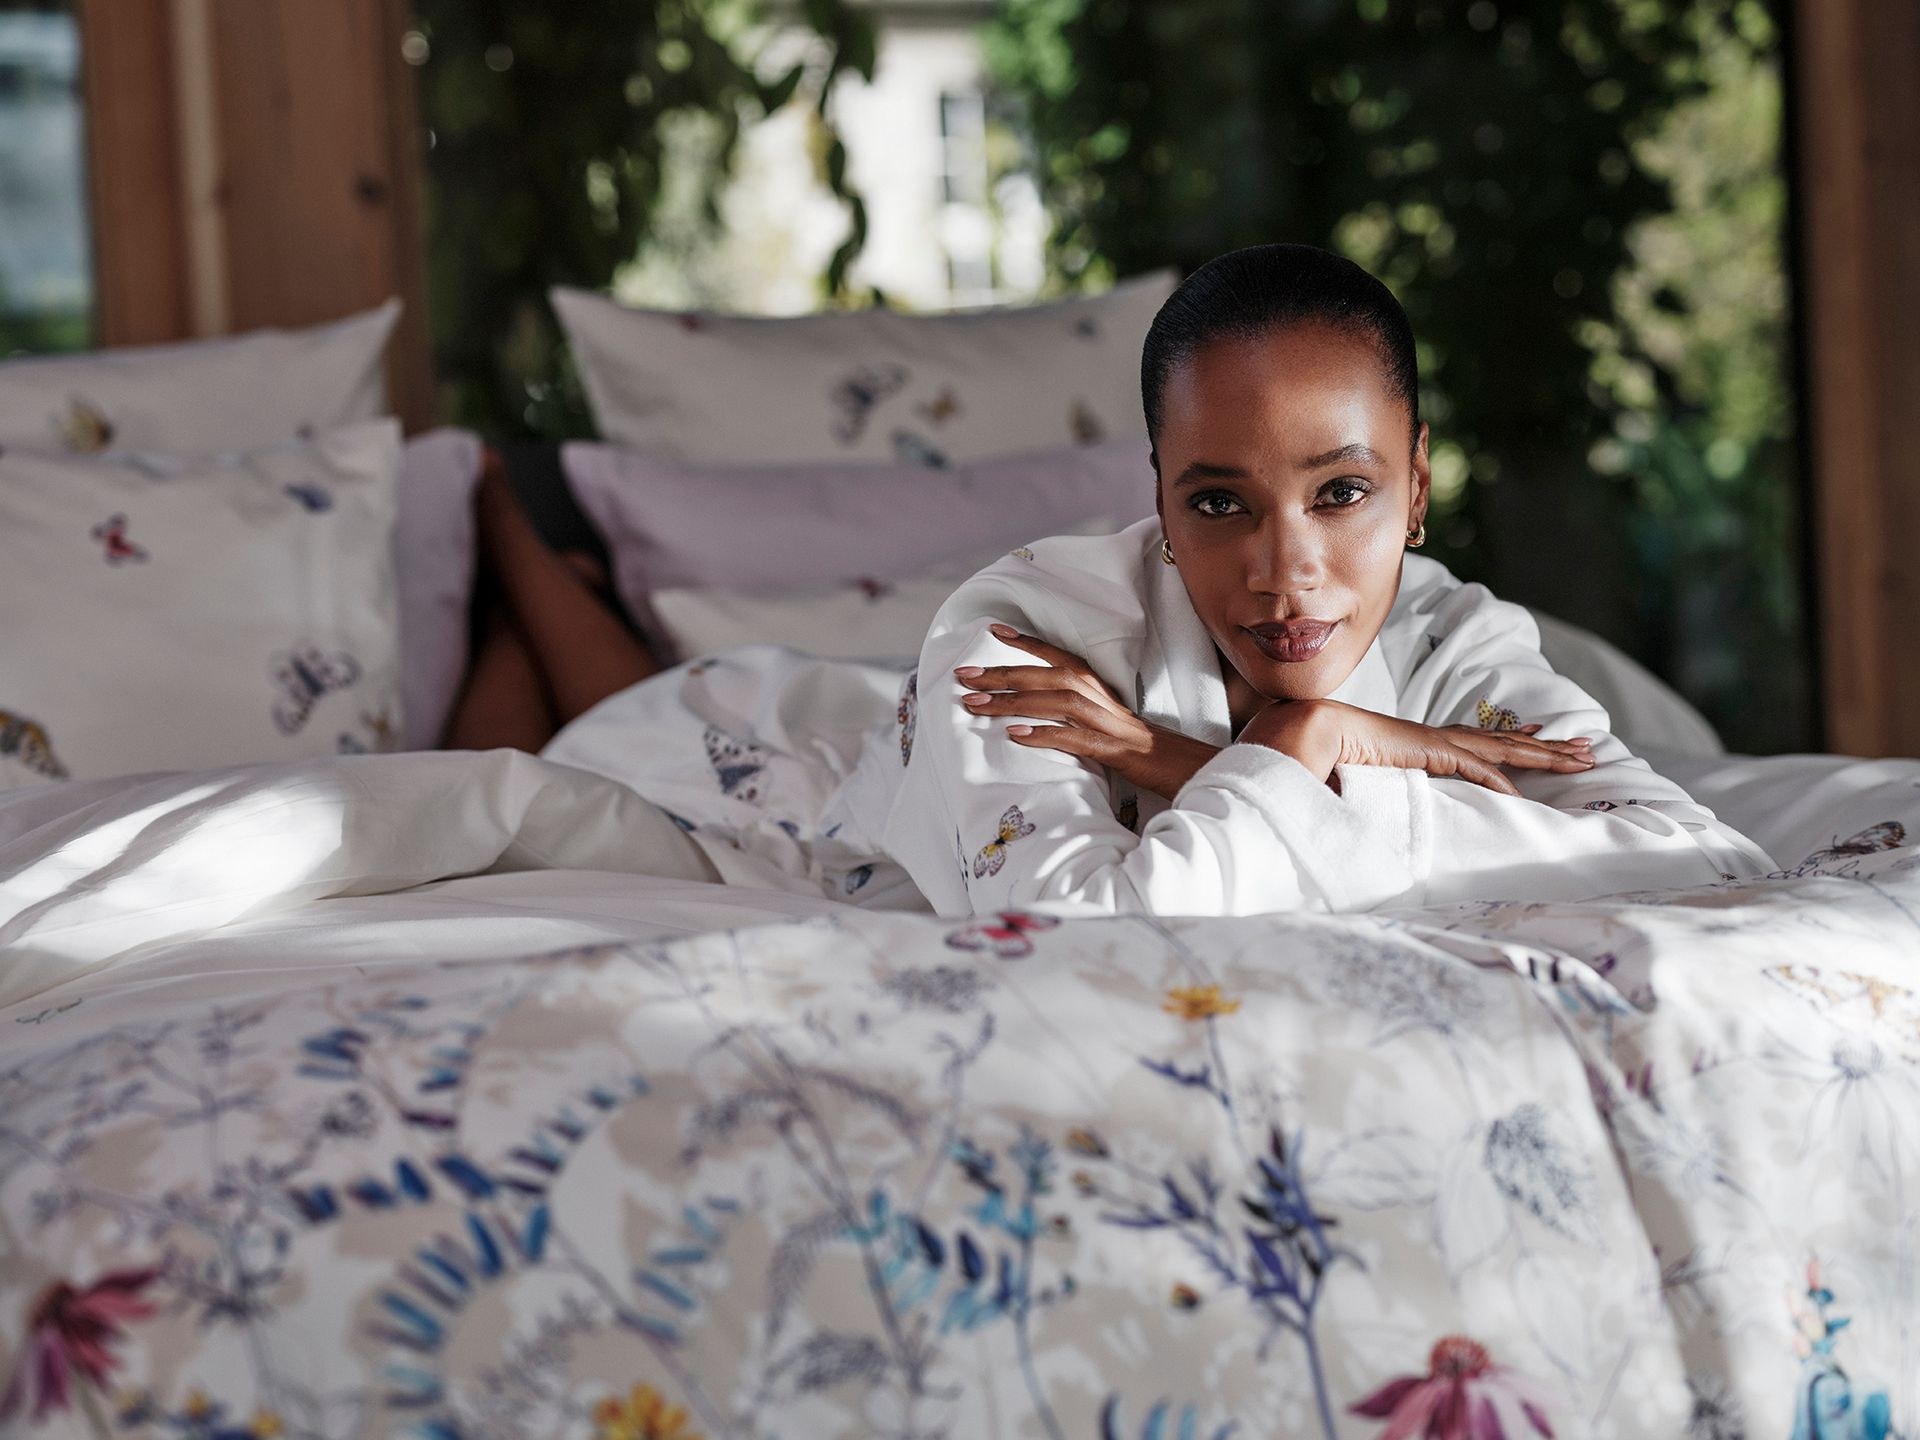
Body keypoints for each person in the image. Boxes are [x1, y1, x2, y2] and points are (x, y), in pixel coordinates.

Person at [879, 243, 1776, 915]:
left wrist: (1284, 740)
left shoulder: (1450, 638)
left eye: (1342, 493)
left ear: (1416, 487)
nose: (1285, 573)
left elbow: (1709, 866)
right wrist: (1299, 764)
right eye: (1221, 505)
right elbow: (1067, 938)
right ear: (1159, 495)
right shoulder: (1016, 646)